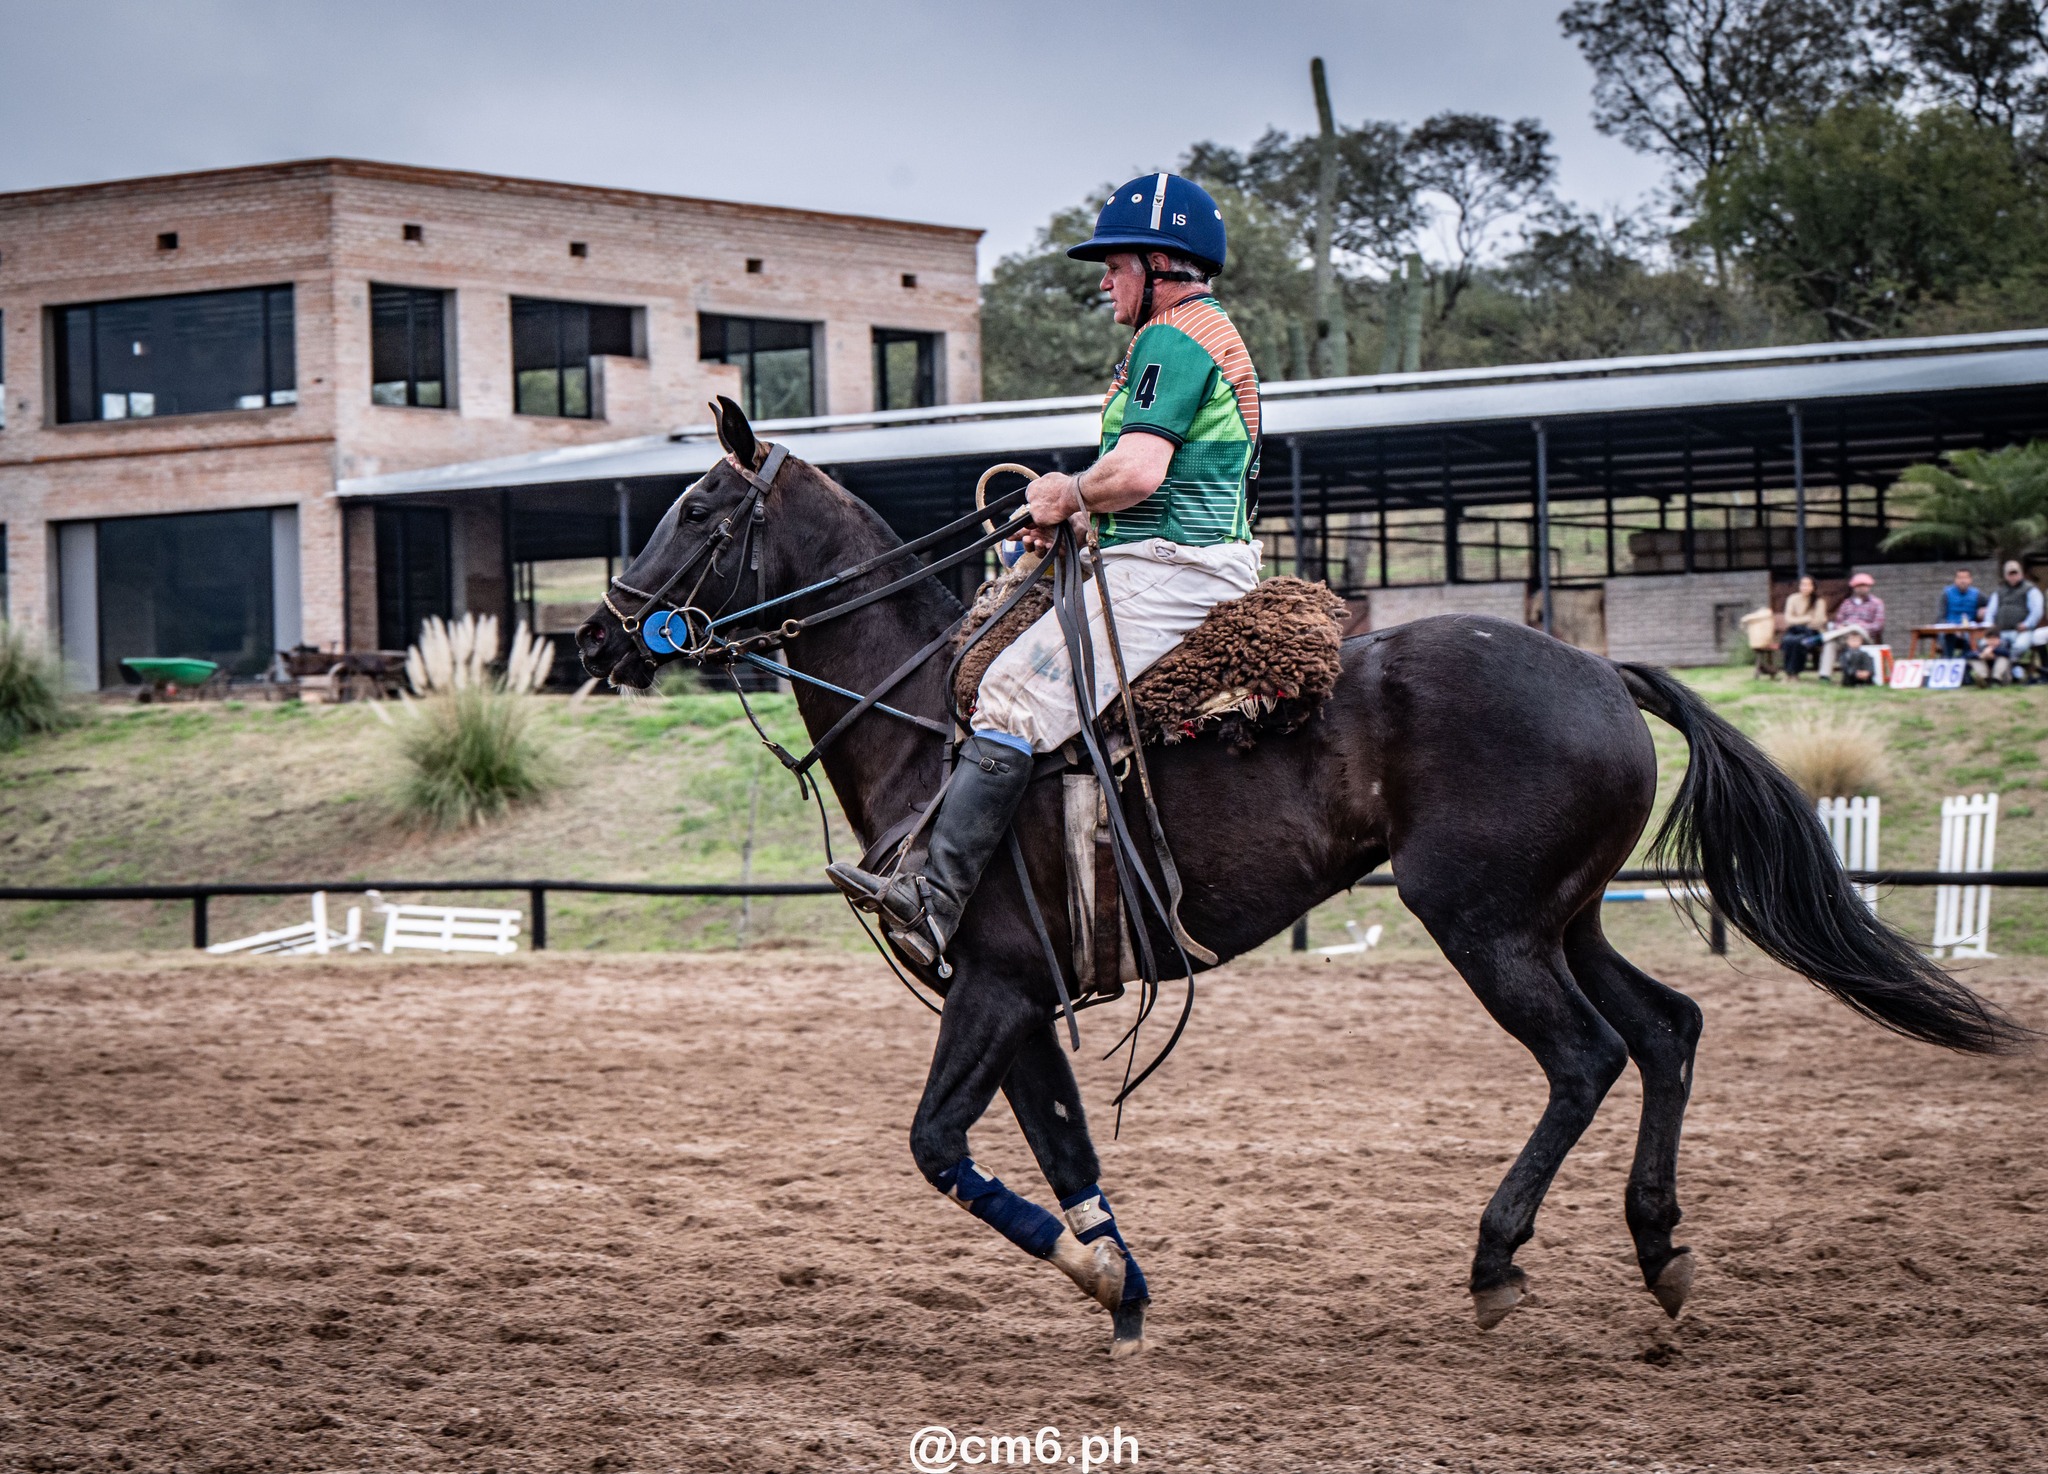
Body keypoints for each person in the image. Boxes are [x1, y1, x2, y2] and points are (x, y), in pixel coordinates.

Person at [826, 172, 1261, 970]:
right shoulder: (1195, 333)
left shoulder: (1174, 337)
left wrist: (1067, 492)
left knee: (1009, 694)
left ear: (1160, 264)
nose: (1104, 282)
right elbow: (1165, 484)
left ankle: (935, 902)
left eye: (1115, 265)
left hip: (1175, 572)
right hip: (1170, 556)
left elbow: (1137, 473)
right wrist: (1077, 520)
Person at [1978, 559, 2043, 684]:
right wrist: (1990, 626)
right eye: (2010, 574)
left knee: (2019, 646)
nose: (2013, 577)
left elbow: (2037, 610)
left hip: (2021, 631)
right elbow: (1990, 611)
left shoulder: (2030, 589)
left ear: (2021, 574)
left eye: (2015, 573)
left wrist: (2027, 624)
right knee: (1983, 644)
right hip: (2000, 632)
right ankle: (1996, 673)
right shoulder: (1999, 592)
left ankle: (2008, 670)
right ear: (2005, 575)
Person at [1820, 572, 1884, 680]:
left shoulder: (1877, 603)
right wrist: (1840, 627)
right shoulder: (1846, 603)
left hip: (1865, 636)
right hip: (1846, 637)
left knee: (1855, 627)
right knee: (1831, 643)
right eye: (1858, 586)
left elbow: (1878, 625)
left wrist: (1858, 626)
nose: (1861, 588)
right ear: (1854, 587)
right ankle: (1825, 676)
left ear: (1869, 586)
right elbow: (1838, 622)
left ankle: (1821, 637)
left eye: (1864, 585)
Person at [1778, 575, 1826, 679]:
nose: (1805, 587)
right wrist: (1807, 618)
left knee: (1799, 641)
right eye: (1803, 584)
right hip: (1794, 630)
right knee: (1787, 640)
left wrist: (1799, 620)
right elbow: (1789, 619)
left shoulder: (1819, 601)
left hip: (1813, 633)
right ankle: (1788, 672)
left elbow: (1819, 621)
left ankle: (1795, 673)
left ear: (1813, 587)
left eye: (1808, 585)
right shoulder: (1792, 598)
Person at [1938, 568, 1985, 657]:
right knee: (1948, 637)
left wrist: (1984, 611)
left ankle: (1966, 662)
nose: (1962, 581)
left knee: (1971, 638)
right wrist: (1953, 629)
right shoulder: (1946, 594)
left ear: (1970, 580)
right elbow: (1940, 617)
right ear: (1955, 580)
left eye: (1965, 578)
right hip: (1950, 630)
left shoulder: (1977, 594)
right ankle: (1947, 661)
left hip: (1969, 630)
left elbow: (1990, 606)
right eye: (1960, 578)